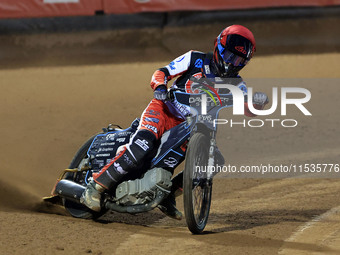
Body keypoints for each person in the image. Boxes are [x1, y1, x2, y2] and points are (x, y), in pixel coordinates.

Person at [80, 24, 269, 220]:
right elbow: (162, 72)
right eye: (229, 56)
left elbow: (248, 110)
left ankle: (168, 196)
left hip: (194, 127)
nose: (231, 62)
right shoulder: (194, 58)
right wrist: (160, 86)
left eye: (237, 59)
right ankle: (95, 187)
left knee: (215, 161)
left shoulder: (238, 85)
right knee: (142, 145)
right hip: (164, 111)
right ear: (218, 48)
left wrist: (259, 103)